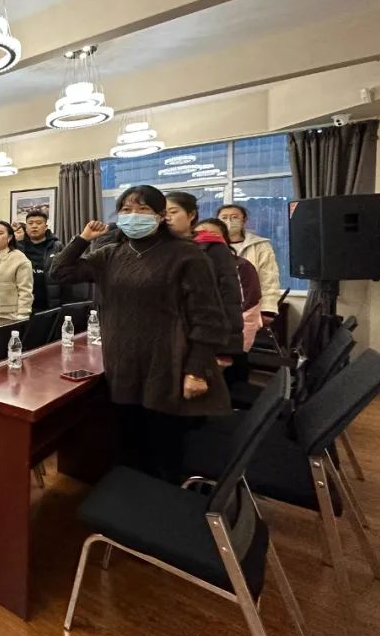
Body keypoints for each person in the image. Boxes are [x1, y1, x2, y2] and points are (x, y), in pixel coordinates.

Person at [51, 184, 230, 482]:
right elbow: (59, 272)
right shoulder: (110, 254)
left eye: (143, 209)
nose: (134, 215)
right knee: (127, 447)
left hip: (167, 364)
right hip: (122, 363)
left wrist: (197, 369)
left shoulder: (186, 255)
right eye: (126, 209)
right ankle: (131, 501)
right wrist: (82, 239)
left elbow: (209, 318)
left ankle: (164, 504)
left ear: (160, 216)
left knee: (164, 450)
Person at [166, 193, 244, 358]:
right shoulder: (159, 248)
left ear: (191, 215)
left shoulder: (212, 247)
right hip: (167, 338)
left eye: (173, 212)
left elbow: (229, 298)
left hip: (202, 336)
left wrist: (227, 349)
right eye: (162, 213)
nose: (167, 217)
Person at [196, 217, 263, 376]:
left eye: (213, 235)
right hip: (202, 343)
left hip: (230, 345)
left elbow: (250, 309)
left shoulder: (241, 266)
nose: (206, 239)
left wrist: (235, 346)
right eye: (200, 234)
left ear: (225, 240)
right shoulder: (193, 265)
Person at [216, 204, 282, 322]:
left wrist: (268, 309)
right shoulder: (212, 246)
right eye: (224, 218)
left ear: (244, 220)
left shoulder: (260, 245)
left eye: (234, 217)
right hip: (218, 308)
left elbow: (269, 279)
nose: (229, 221)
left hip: (250, 307)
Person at [0, 221, 33, 322]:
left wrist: (23, 314)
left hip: (9, 316)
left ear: (10, 237)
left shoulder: (19, 258)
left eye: (0, 233)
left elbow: (25, 291)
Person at [18, 210, 63, 311]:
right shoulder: (18, 247)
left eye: (38, 223)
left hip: (50, 302)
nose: (34, 226)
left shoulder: (56, 246)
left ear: (46, 227)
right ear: (26, 227)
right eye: (30, 223)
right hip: (23, 302)